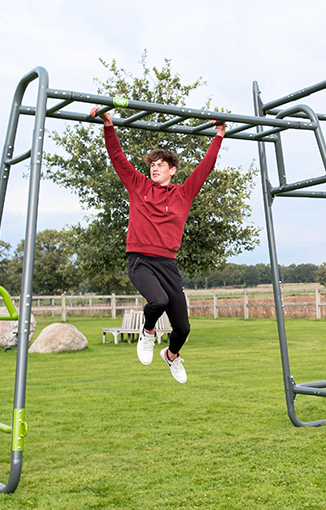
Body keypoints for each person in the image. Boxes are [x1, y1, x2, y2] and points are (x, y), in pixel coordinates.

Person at [92, 105, 226, 384]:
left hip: (168, 263)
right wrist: (108, 126)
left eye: (160, 165)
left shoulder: (184, 194)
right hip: (140, 260)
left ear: (172, 171)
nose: (154, 168)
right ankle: (148, 332)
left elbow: (205, 168)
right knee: (159, 300)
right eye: (152, 165)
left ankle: (172, 355)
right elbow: (118, 158)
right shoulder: (138, 185)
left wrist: (219, 135)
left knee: (184, 328)